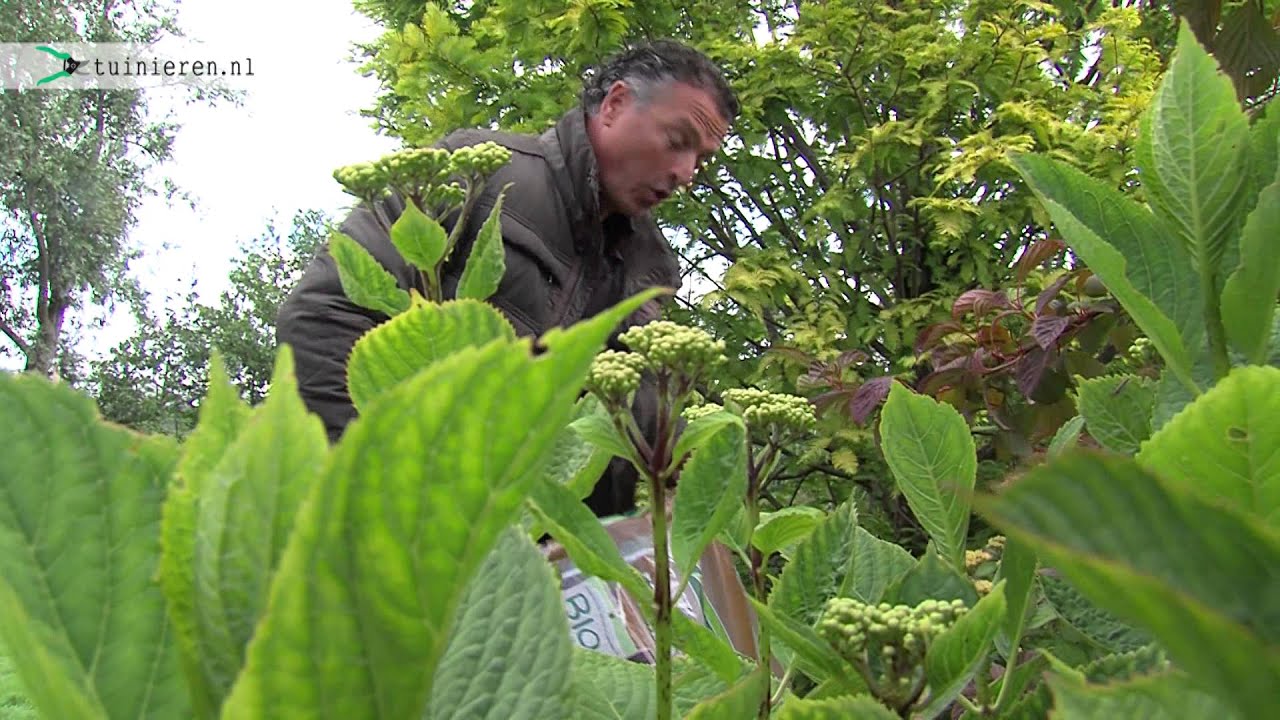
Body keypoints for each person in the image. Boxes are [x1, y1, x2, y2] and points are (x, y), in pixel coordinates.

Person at [275, 39, 739, 517]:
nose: (685, 173)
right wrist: (370, 494)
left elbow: (614, 429)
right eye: (677, 141)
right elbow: (321, 319)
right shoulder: (476, 172)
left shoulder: (651, 268)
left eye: (700, 162)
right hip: (398, 519)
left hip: (525, 556)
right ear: (615, 104)